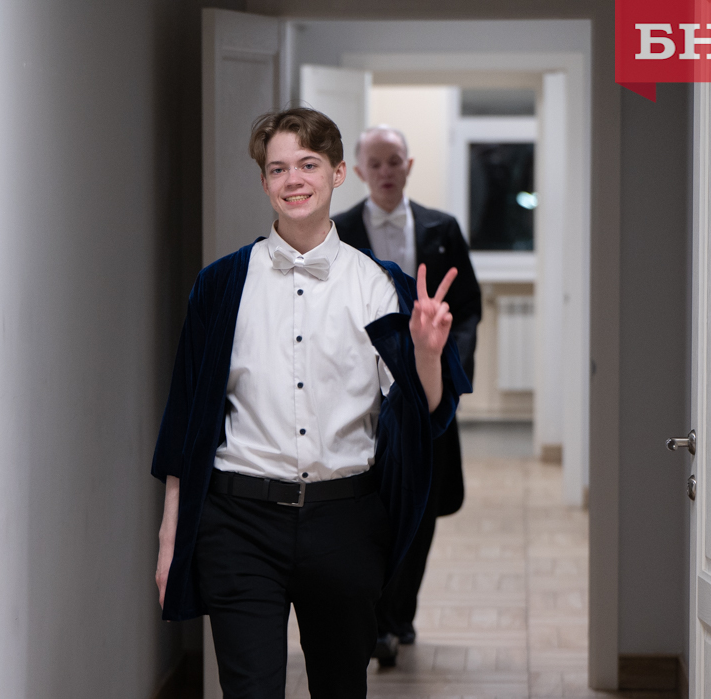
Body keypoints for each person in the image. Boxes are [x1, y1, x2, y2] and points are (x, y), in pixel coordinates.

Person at [151, 108, 471, 699]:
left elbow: (424, 412)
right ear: (264, 182)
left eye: (308, 164)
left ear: (338, 173)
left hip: (345, 523)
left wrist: (428, 354)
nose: (293, 179)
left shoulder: (379, 286)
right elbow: (185, 421)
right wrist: (171, 539)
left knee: (340, 689)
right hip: (239, 523)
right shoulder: (220, 286)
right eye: (278, 169)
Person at [333, 125, 482, 666]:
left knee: (421, 508)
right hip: (362, 396)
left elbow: (467, 310)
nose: (386, 172)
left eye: (394, 161)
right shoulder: (338, 231)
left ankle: (399, 615)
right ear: (358, 171)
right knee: (370, 507)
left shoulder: (443, 229)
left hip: (429, 394)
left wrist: (442, 370)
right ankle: (376, 619)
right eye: (375, 163)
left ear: (409, 165)